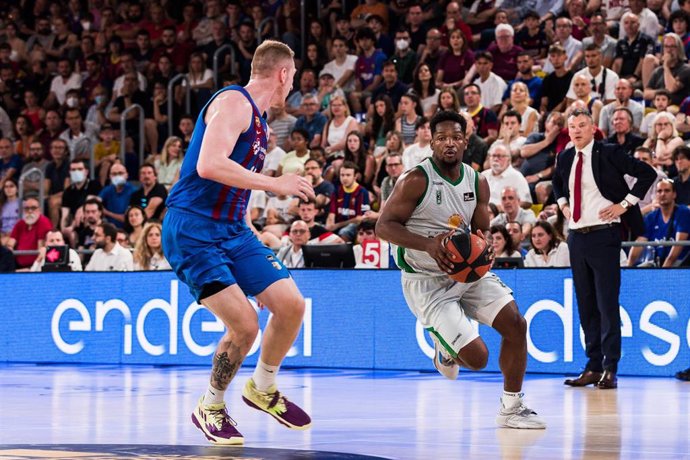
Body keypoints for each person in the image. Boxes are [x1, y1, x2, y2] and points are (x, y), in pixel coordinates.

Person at [162, 40, 314, 446]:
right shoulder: (234, 101)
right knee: (245, 326)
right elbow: (209, 165)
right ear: (283, 74)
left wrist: (253, 250)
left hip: (232, 230)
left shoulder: (261, 124)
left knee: (291, 304)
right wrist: (277, 184)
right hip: (193, 229)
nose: (293, 84)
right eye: (293, 76)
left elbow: (237, 191)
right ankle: (210, 405)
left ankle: (262, 387)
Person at [376, 110, 545, 429]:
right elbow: (383, 226)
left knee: (516, 324)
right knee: (477, 359)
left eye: (455, 137)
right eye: (441, 138)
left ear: (466, 141)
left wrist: (488, 244)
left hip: (466, 272)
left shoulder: (476, 180)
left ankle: (511, 407)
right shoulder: (416, 179)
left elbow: (481, 229)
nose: (449, 144)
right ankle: (444, 348)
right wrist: (427, 244)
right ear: (432, 143)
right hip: (426, 280)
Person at [553, 108, 656, 390]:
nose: (575, 130)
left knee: (607, 304)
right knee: (586, 306)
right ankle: (593, 365)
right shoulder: (564, 156)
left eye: (582, 125)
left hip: (604, 236)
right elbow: (557, 183)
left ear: (593, 128)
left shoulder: (608, 152)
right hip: (576, 237)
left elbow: (647, 173)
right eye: (572, 126)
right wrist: (562, 204)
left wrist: (624, 205)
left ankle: (610, 367)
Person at [627, 179, 690, 267]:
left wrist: (663, 271)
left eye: (667, 190)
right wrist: (627, 268)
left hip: (680, 262)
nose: (662, 194)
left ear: (674, 194)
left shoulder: (683, 213)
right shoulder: (651, 217)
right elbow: (639, 243)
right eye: (659, 191)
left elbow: (678, 245)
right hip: (657, 261)